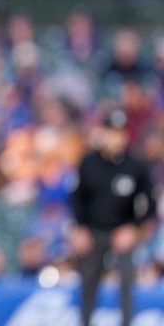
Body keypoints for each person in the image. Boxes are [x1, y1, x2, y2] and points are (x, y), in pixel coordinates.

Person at [69, 109, 157, 326]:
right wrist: (79, 228)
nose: (115, 137)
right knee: (88, 286)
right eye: (111, 131)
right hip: (93, 232)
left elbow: (150, 203)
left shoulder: (136, 165)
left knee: (127, 285)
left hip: (122, 232)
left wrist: (133, 228)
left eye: (120, 132)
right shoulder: (88, 163)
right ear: (103, 132)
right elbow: (77, 198)